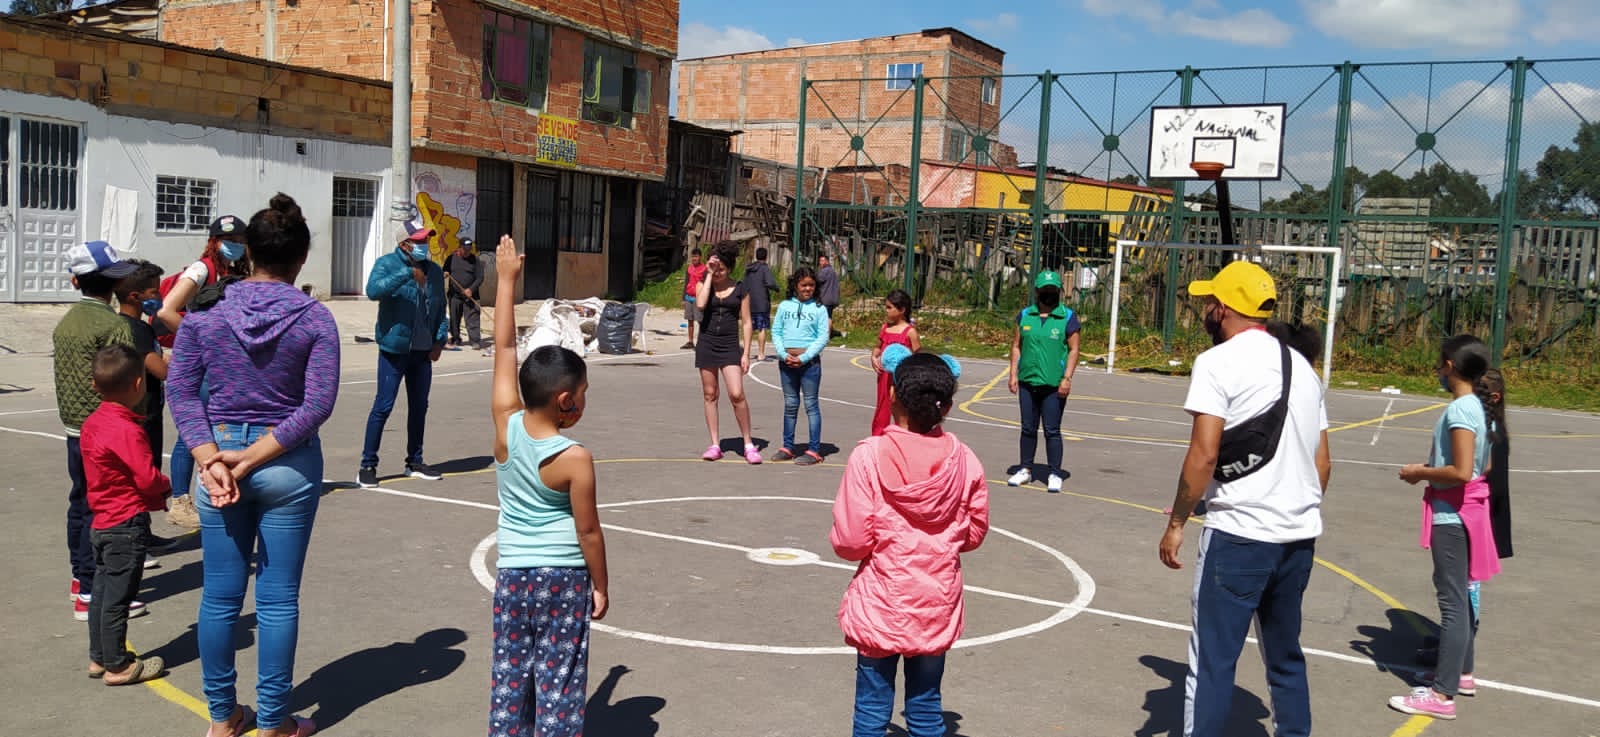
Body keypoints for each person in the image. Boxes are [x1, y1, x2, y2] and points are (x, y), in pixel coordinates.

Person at [168, 193, 339, 737]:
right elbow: (317, 404)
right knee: (278, 596)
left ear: (247, 252)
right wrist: (260, 453)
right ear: (301, 258)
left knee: (219, 596)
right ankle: (273, 722)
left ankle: (222, 718)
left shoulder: (206, 312)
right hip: (285, 463)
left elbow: (180, 388)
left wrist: (207, 455)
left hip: (218, 458)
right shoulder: (315, 318)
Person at [1158, 261, 1331, 737]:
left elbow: (1204, 453)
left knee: (1213, 662)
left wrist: (1178, 520)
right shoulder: (1301, 367)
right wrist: (1292, 506)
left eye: (1209, 304)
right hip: (1297, 538)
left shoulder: (1217, 362)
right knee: (1285, 656)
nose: (1205, 312)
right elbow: (1323, 464)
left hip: (1238, 535)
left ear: (1224, 309)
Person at [487, 234, 610, 737]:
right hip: (563, 578)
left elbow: (503, 346)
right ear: (565, 400)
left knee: (511, 676)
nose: (584, 401)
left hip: (513, 575)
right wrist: (601, 585)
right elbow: (589, 534)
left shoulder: (505, 426)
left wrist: (506, 280)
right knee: (560, 680)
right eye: (582, 394)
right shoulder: (574, 459)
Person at [830, 346, 989, 737]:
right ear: (947, 407)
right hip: (936, 601)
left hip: (882, 599)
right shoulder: (965, 459)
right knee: (925, 706)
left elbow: (850, 540)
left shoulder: (869, 455)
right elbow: (974, 532)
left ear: (893, 395)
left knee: (871, 709)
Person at [1388, 335, 1502, 721]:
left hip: (1452, 517)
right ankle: (1460, 673)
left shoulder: (1460, 411)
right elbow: (1482, 468)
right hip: (1468, 512)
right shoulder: (1480, 408)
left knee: (1452, 604)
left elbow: (1462, 471)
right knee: (1461, 598)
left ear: (1450, 365)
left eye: (1440, 363)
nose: (1437, 369)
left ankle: (1441, 694)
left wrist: (1421, 472)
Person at [54, 240, 139, 621]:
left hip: (74, 428)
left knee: (80, 502)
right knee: (103, 510)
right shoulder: (113, 326)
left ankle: (79, 576)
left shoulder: (67, 322)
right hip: (106, 431)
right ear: (112, 284)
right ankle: (91, 590)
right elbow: (124, 377)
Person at [81, 345, 170, 685]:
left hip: (102, 521)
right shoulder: (128, 430)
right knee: (118, 598)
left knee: (102, 593)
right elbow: (146, 478)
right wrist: (165, 486)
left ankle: (99, 657)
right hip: (125, 522)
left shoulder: (93, 423)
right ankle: (118, 664)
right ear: (137, 384)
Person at [155, 214, 249, 530]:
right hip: (203, 363)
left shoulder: (236, 271)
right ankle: (181, 501)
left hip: (223, 363)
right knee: (193, 431)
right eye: (229, 241)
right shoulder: (201, 270)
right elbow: (166, 311)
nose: (234, 246)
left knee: (215, 428)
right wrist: (200, 338)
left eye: (239, 241)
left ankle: (207, 489)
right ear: (213, 241)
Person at [358, 216, 448, 488]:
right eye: (421, 240)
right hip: (394, 350)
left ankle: (415, 461)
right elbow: (373, 291)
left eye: (428, 239)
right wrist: (406, 274)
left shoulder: (433, 271)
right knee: (383, 406)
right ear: (406, 244)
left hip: (422, 353)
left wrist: (439, 341)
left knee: (420, 407)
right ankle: (368, 465)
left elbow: (440, 309)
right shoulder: (387, 264)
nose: (426, 244)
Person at [1006, 270, 1081, 493]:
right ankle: (1025, 469)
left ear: (1059, 291)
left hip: (1053, 383)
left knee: (1052, 429)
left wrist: (1067, 378)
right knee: (1028, 428)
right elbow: (1016, 346)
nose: (1049, 293)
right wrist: (1013, 374)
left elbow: (1074, 349)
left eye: (1053, 289)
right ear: (1037, 291)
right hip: (1028, 380)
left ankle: (1055, 472)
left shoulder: (1067, 317)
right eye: (1045, 290)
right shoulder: (1025, 315)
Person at [694, 242, 760, 464]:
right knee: (710, 394)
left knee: (736, 393)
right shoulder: (703, 284)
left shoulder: (741, 288)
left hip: (730, 346)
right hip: (707, 344)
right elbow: (701, 305)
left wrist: (746, 353)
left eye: (722, 269)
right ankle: (714, 444)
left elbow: (748, 322)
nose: (719, 272)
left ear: (730, 268)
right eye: (715, 267)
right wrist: (709, 275)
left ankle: (748, 443)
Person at [770, 267, 831, 466]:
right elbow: (777, 331)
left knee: (811, 405)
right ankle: (788, 446)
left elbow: (822, 337)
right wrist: (783, 353)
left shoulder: (820, 309)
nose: (807, 289)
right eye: (803, 285)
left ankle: (814, 450)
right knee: (790, 405)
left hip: (809, 365)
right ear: (795, 286)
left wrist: (804, 357)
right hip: (786, 362)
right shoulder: (785, 306)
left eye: (811, 285)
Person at [870, 289, 921, 436]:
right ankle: (878, 437)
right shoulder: (885, 328)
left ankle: (903, 436)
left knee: (901, 407)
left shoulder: (910, 332)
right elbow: (877, 348)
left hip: (902, 378)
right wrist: (874, 357)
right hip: (884, 376)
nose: (886, 311)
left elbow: (917, 356)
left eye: (889, 307)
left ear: (902, 310)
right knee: (882, 407)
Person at [444, 237, 484, 350]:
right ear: (460, 247)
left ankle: (475, 340)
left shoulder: (475, 260)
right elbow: (445, 270)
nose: (467, 251)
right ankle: (456, 338)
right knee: (454, 318)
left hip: (471, 295)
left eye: (469, 249)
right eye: (465, 249)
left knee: (473, 317)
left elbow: (480, 277)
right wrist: (446, 273)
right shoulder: (451, 258)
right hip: (454, 295)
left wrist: (471, 289)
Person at [743, 246, 780, 361]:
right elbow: (769, 282)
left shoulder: (749, 269)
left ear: (756, 255)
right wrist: (776, 288)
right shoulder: (764, 268)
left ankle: (746, 353)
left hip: (749, 302)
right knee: (761, 328)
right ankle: (761, 353)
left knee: (748, 327)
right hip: (761, 302)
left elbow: (744, 284)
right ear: (766, 256)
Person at [681, 247, 708, 350]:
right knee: (690, 320)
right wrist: (683, 298)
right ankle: (690, 341)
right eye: (693, 256)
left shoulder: (704, 269)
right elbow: (686, 283)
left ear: (700, 257)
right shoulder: (689, 268)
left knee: (700, 320)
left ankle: (702, 341)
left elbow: (706, 285)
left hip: (699, 298)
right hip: (689, 297)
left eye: (696, 256)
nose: (694, 258)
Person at [816, 253, 841, 338]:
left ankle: (826, 336)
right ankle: (829, 334)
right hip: (833, 298)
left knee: (825, 318)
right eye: (820, 261)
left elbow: (818, 281)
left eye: (822, 260)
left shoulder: (824, 271)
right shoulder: (833, 271)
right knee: (829, 316)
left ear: (826, 261)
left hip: (826, 298)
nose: (820, 262)